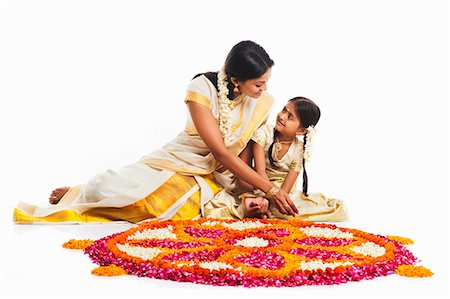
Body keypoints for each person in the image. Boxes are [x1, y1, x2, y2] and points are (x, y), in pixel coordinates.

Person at [13, 40, 299, 224]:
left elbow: (250, 151)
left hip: (218, 175)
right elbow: (221, 152)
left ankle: (93, 195)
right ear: (236, 81)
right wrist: (271, 190)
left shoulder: (262, 102)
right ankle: (84, 192)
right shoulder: (200, 89)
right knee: (117, 190)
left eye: (266, 82)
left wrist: (255, 192)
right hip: (183, 160)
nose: (265, 91)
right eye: (259, 84)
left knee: (169, 210)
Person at [203, 97, 347, 221]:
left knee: (287, 211)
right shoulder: (263, 134)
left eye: (290, 117)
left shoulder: (298, 149)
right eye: (284, 110)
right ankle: (260, 206)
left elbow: (288, 186)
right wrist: (265, 197)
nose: (282, 116)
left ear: (301, 131)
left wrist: (277, 200)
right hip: (258, 183)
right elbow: (260, 171)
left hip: (282, 191)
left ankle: (266, 208)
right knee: (244, 207)